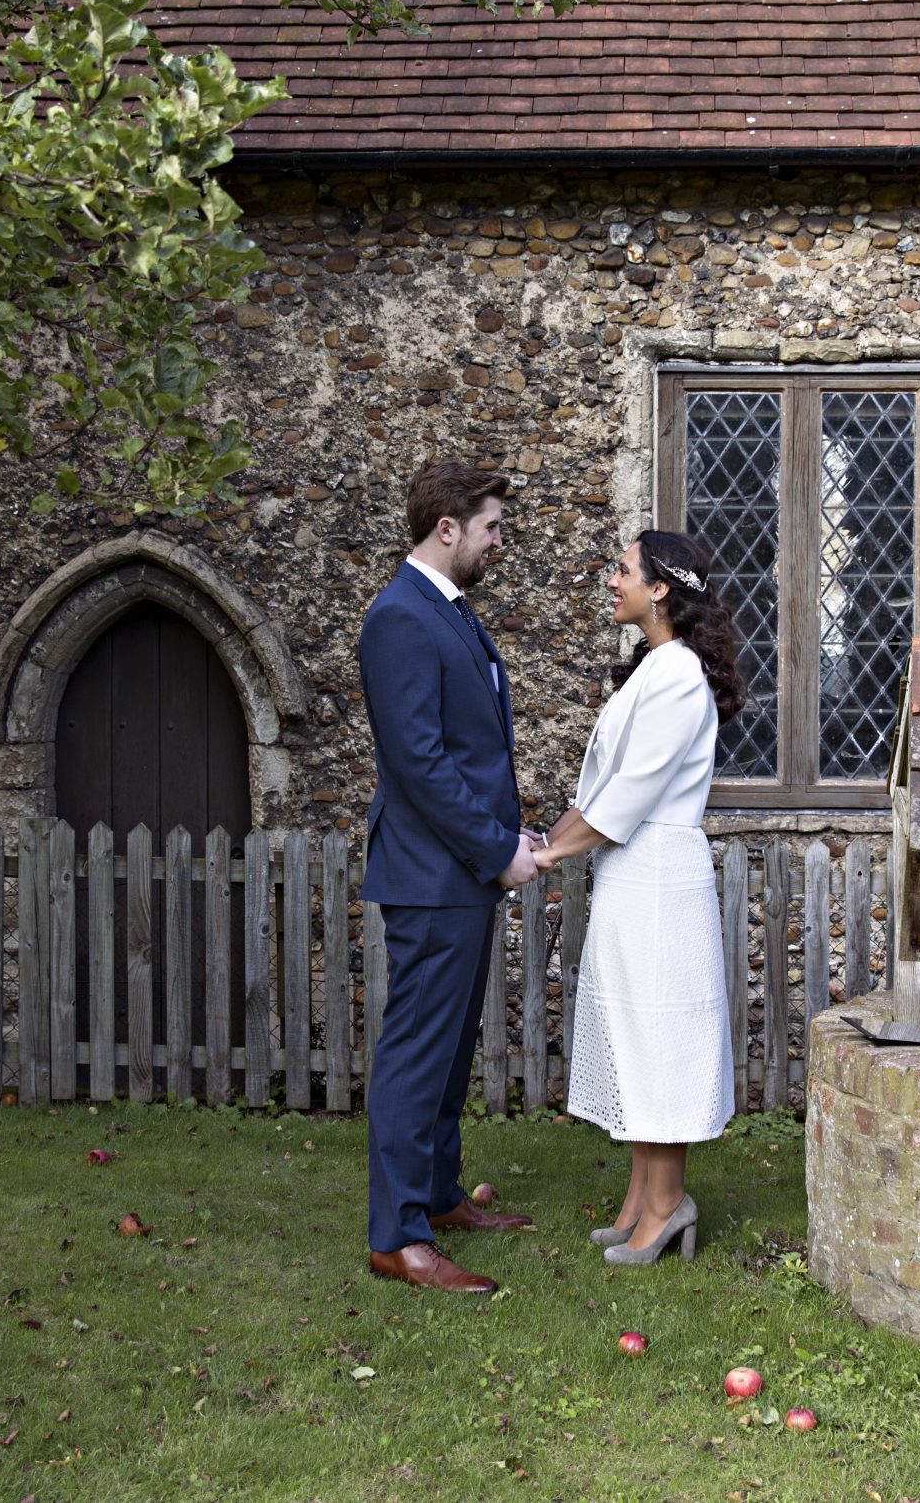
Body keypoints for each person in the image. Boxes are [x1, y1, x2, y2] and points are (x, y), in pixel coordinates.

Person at [529, 530, 742, 1266]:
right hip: (632, 873)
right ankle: (640, 1197)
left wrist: (553, 851)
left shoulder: (678, 675)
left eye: (622, 569)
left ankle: (666, 1205)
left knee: (660, 1040)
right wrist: (544, 840)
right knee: (633, 1035)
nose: (611, 579)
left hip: (659, 881)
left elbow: (630, 792)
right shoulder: (656, 667)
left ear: (660, 589)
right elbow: (599, 791)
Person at [354, 460, 539, 1293]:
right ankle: (397, 1235)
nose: (500, 541)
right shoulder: (399, 617)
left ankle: (434, 1196)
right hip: (432, 877)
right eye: (492, 527)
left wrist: (506, 834)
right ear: (448, 528)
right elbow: (420, 764)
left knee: (452, 1047)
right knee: (415, 1054)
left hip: (463, 872)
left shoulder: (450, 614)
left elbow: (470, 752)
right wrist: (497, 850)